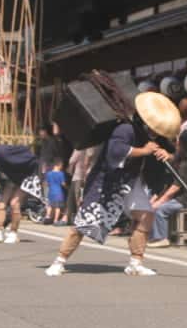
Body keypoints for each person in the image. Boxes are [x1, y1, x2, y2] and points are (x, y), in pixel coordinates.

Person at [45, 86, 179, 277]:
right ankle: (59, 261)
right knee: (84, 223)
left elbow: (171, 155)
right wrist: (144, 151)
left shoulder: (154, 136)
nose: (157, 132)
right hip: (106, 181)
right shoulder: (125, 129)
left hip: (131, 182)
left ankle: (135, 262)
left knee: (146, 215)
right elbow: (115, 153)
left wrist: (168, 155)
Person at [148, 134, 187, 248]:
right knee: (152, 205)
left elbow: (175, 187)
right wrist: (156, 198)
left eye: (178, 143)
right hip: (179, 197)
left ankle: (162, 238)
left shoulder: (185, 164)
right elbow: (168, 185)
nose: (176, 145)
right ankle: (154, 236)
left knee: (160, 209)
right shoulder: (178, 161)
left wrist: (160, 201)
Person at [65, 146, 98, 225]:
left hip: (79, 175)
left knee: (77, 198)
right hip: (89, 175)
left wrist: (69, 169)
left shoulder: (80, 147)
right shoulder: (95, 147)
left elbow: (72, 160)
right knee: (80, 197)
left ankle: (77, 219)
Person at [45, 159, 68, 225]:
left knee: (50, 206)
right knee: (57, 207)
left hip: (51, 191)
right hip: (58, 192)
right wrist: (66, 187)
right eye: (61, 166)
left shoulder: (48, 173)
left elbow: (47, 183)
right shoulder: (61, 174)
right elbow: (63, 183)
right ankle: (55, 220)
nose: (62, 167)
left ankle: (47, 217)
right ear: (59, 165)